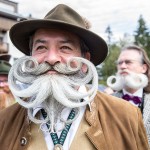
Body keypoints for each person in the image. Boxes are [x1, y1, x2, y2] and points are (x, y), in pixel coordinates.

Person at [0, 4, 149, 150]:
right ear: (31, 59)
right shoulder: (4, 121)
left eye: (65, 48)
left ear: (85, 62)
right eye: (41, 47)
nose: (51, 58)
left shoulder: (126, 116)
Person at [107, 45, 150, 144]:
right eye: (119, 63)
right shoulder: (106, 102)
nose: (122, 66)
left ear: (143, 68)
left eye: (128, 62)